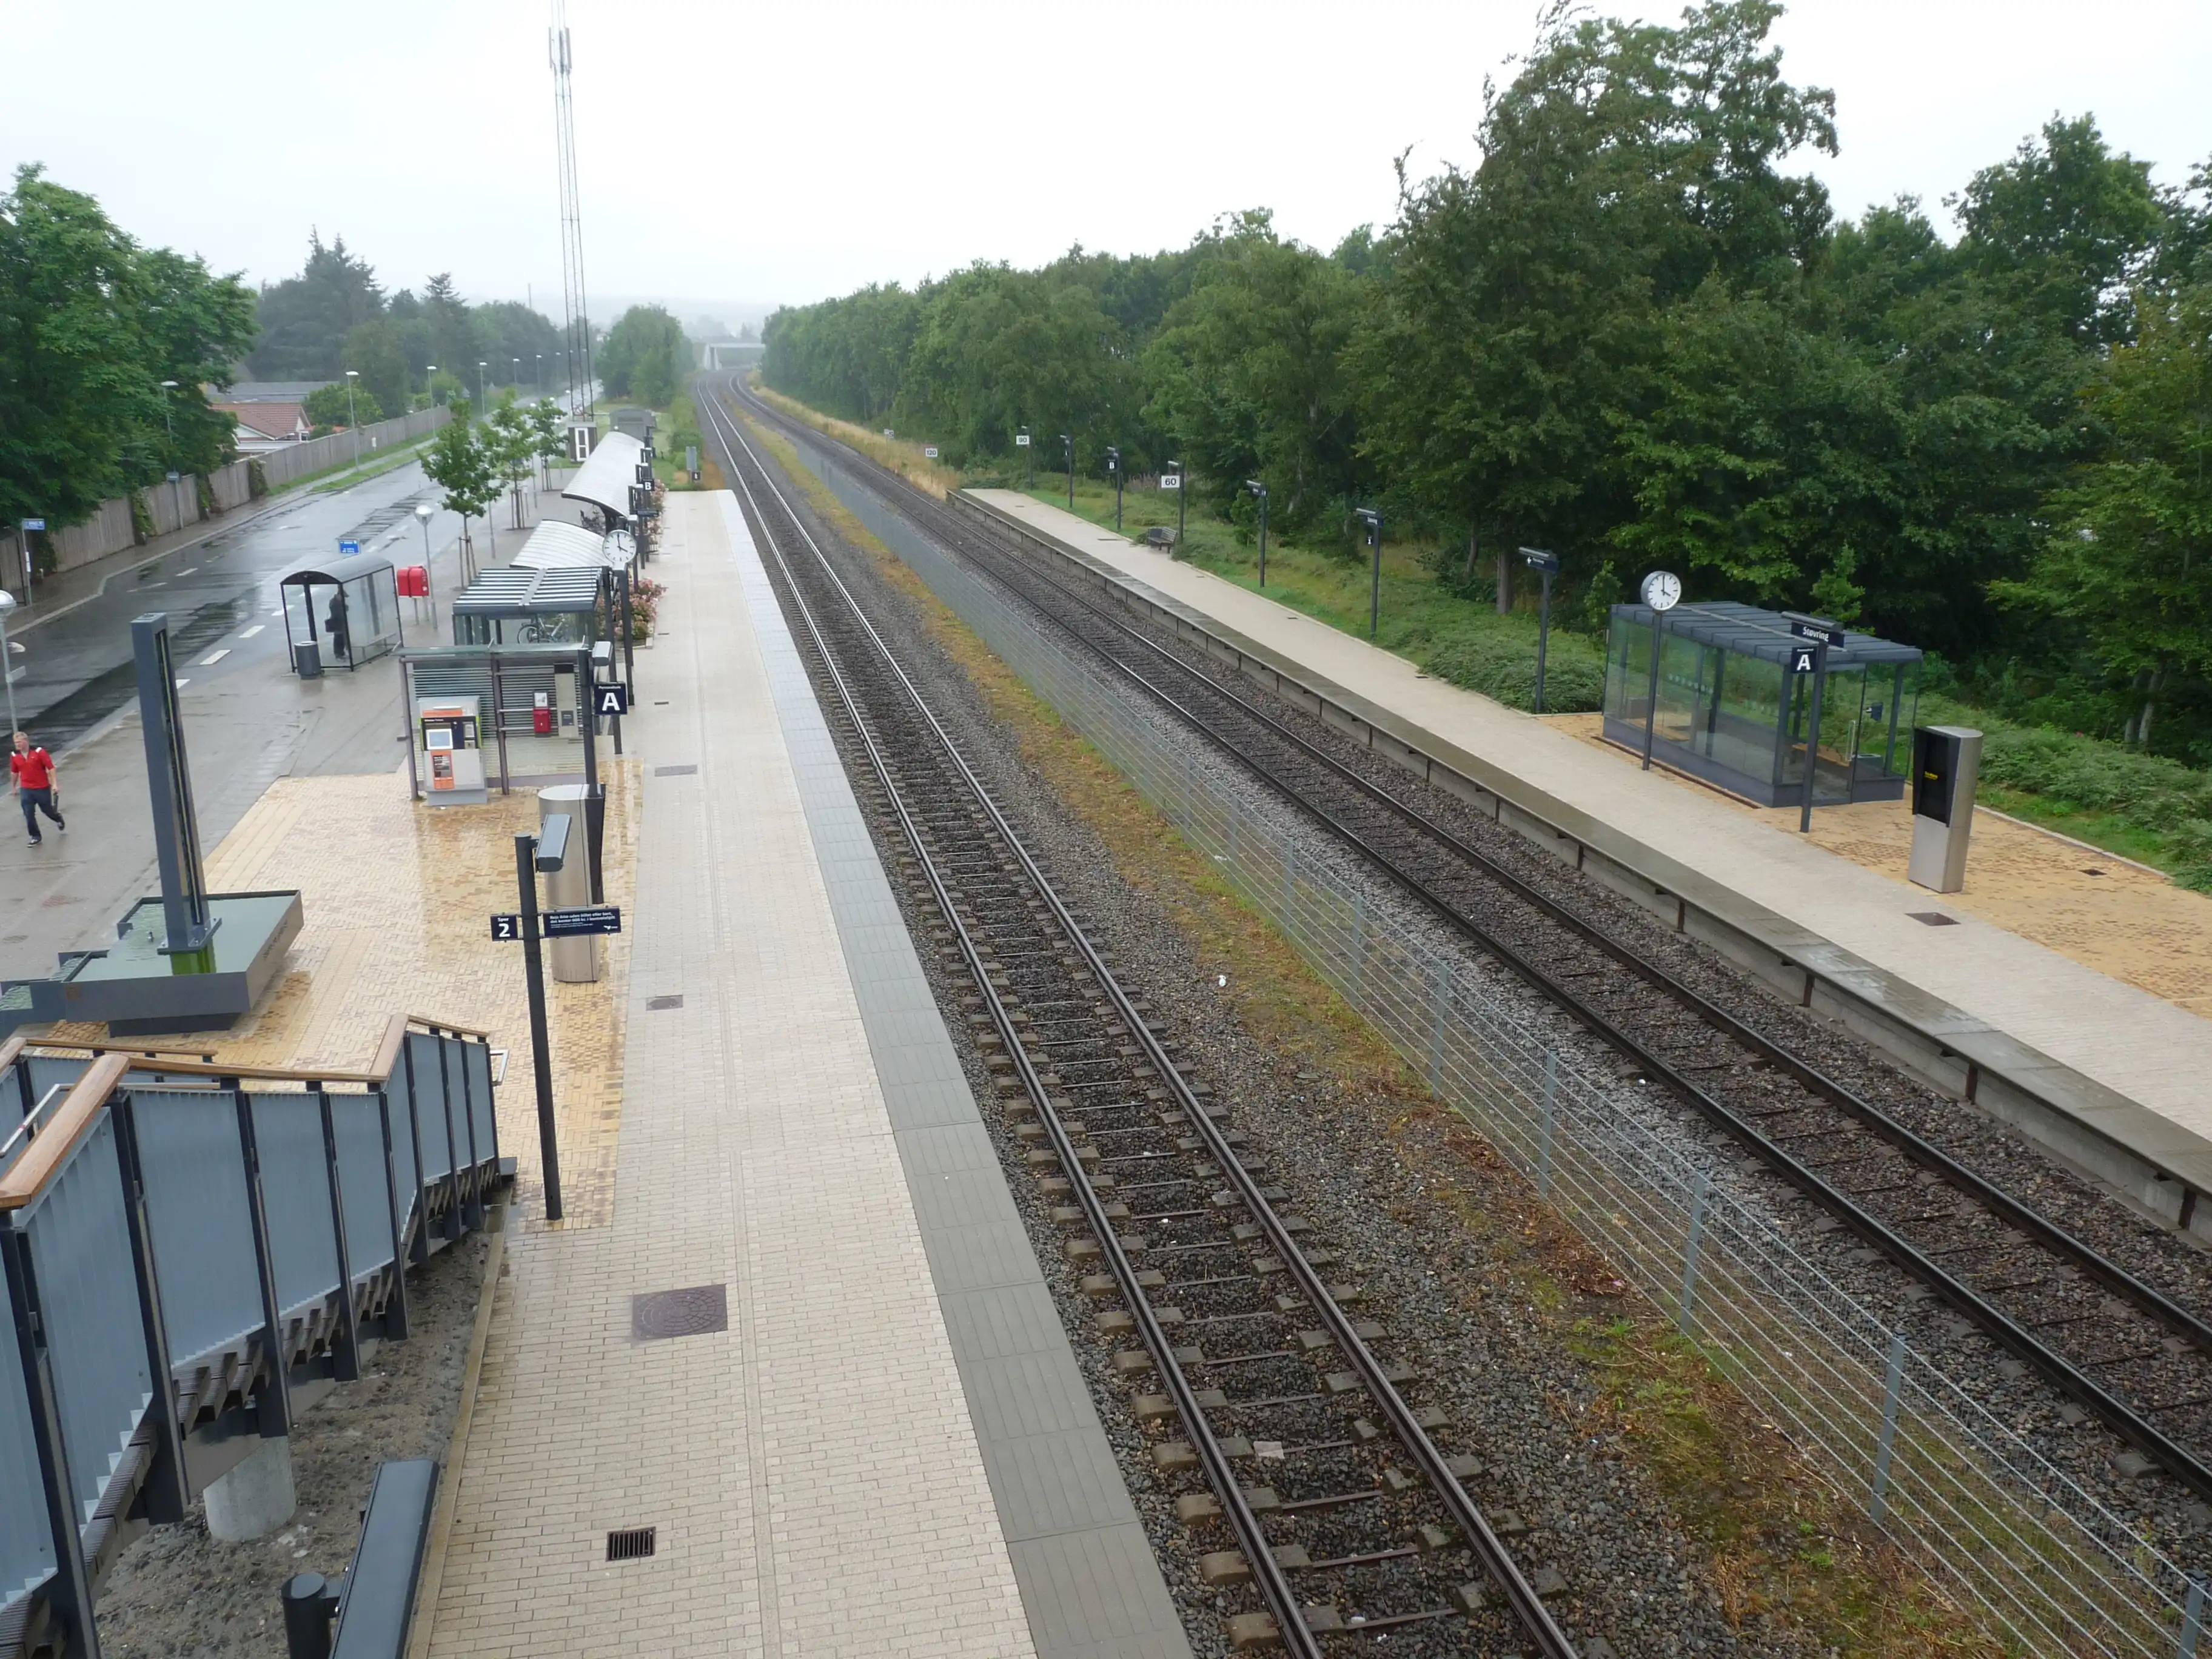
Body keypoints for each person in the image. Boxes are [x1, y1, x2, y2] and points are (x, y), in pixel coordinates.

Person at [10, 731, 64, 845]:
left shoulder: (39, 752)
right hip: (26, 789)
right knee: (28, 813)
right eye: (16, 743)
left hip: (42, 788)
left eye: (19, 742)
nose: (17, 745)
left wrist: (54, 784)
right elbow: (14, 772)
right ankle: (35, 836)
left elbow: (51, 768)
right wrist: (14, 787)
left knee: (47, 810)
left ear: (26, 741)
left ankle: (57, 818)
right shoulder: (15, 755)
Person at [326, 589, 351, 660]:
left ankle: (341, 652)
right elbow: (338, 613)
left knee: (342, 638)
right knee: (338, 638)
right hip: (337, 623)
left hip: (341, 623)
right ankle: (338, 653)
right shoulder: (334, 603)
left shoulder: (339, 602)